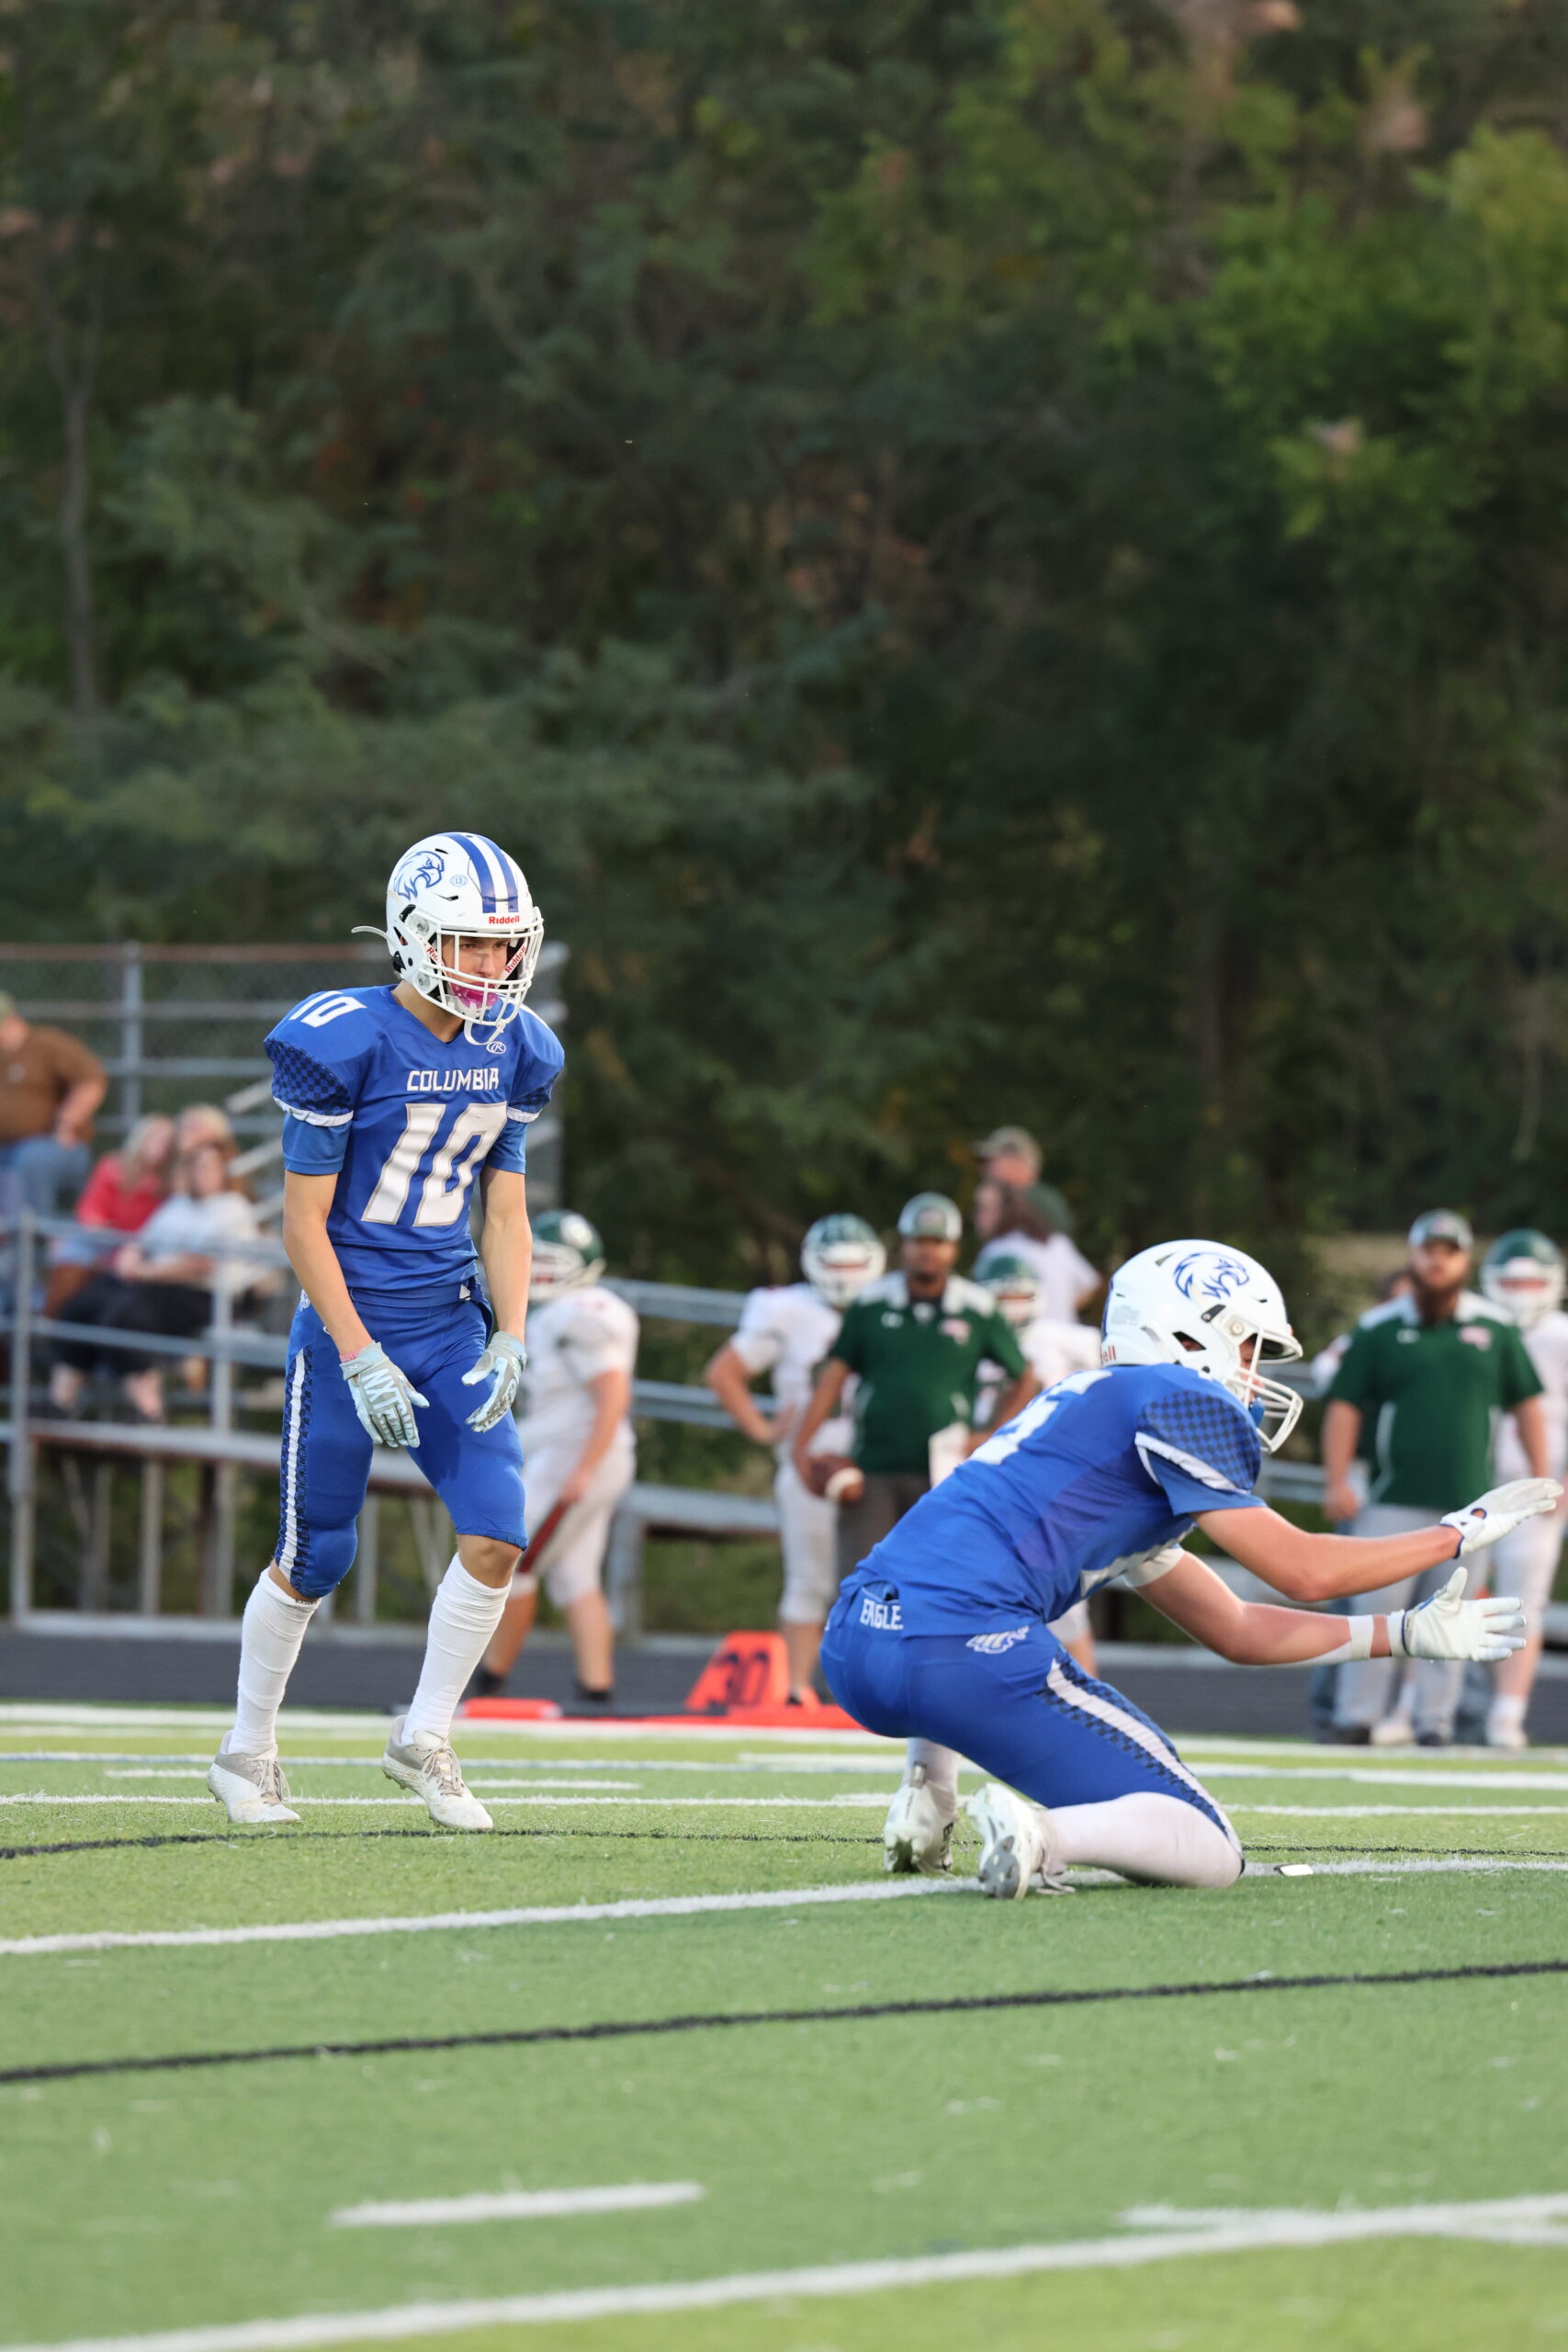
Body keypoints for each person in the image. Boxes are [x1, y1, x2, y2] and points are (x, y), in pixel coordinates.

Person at [817, 1238, 1544, 1894]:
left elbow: (1236, 1628)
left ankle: (927, 1790)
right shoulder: (1178, 1397)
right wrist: (1456, 1533)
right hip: (960, 1656)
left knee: (958, 1597)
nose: (1252, 1374)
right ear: (1195, 1333)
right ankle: (1042, 1835)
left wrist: (1401, 1632)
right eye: (1249, 1346)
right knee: (1207, 1846)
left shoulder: (1087, 1409)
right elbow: (1304, 1571)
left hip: (856, 1642)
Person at [207, 831, 563, 1832]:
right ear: (412, 935)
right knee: (317, 1551)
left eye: (503, 944)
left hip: (449, 1323)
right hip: (347, 1323)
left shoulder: (519, 1046)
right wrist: (357, 1353)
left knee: (498, 1533)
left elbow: (505, 1212)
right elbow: (301, 1224)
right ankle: (246, 1750)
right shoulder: (344, 1038)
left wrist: (512, 1332)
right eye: (469, 942)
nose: (490, 964)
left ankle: (424, 1734)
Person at [1322, 1209, 1549, 1747]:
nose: (1438, 1261)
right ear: (1413, 1255)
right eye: (1430, 1250)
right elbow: (1344, 1405)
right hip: (1391, 1498)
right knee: (1375, 1610)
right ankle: (1355, 1717)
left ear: (1465, 1260)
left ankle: (1434, 1723)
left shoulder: (1495, 1328)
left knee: (1455, 1613)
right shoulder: (1379, 1328)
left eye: (1450, 1251)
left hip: (1470, 1506)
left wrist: (1541, 1477)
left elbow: (1527, 1405)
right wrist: (1336, 1479)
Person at [793, 1193, 1038, 1578]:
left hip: (946, 1471)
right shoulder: (870, 1304)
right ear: (903, 1244)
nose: (928, 1251)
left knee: (939, 1586)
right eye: (919, 1240)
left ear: (954, 1248)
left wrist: (995, 1434)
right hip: (874, 1466)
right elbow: (834, 1376)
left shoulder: (976, 1307)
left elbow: (1025, 1376)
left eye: (937, 1242)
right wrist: (801, 1445)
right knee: (864, 1583)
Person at [704, 1214, 886, 1703]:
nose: (844, 1276)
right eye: (835, 1264)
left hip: (882, 1463)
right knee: (809, 1579)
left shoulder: (891, 1305)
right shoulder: (787, 1309)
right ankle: (795, 1689)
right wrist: (763, 1429)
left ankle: (875, 1690)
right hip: (814, 1463)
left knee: (883, 1583)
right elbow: (724, 1372)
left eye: (853, 1265)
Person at [472, 1210, 638, 1706]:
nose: (541, 1271)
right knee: (575, 1576)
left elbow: (613, 1393)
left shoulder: (579, 1314)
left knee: (509, 1557)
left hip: (574, 1456)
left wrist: (584, 1468)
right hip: (581, 1454)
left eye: (554, 1262)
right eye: (538, 1260)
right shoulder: (561, 1313)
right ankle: (597, 1690)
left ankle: (490, 1681)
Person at [48, 1139, 260, 1421]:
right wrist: (129, 1258)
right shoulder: (179, 1205)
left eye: (209, 1166)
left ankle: (148, 1411)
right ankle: (61, 1403)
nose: (202, 1172)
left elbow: (201, 1264)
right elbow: (143, 1241)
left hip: (204, 1295)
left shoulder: (232, 1208)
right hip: (155, 1282)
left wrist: (144, 1271)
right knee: (84, 1304)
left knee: (126, 1314)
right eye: (196, 1165)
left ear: (224, 1171)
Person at [974, 1251, 1100, 1675]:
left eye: (1019, 1296)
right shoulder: (964, 1334)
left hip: (1049, 1483)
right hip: (985, 1483)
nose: (1011, 1306)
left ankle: (1088, 1692)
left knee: (1066, 1604)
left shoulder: (1064, 1340)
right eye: (1002, 1297)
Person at [1477, 1230, 1568, 1748]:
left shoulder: (1561, 1335)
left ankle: (1506, 1716)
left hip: (1537, 1488)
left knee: (1522, 1602)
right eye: (1511, 1283)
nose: (1521, 1294)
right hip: (1471, 1484)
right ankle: (1425, 1708)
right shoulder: (1474, 1325)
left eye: (1531, 1283)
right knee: (1443, 1595)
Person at [45, 1114, 178, 1314]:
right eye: (156, 1137)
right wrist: (106, 1245)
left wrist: (128, 1251)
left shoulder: (172, 1184)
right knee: (72, 1257)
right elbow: (91, 1211)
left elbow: (160, 1228)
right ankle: (50, 1322)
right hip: (104, 1239)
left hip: (140, 1248)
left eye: (167, 1141)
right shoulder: (113, 1167)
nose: (161, 1145)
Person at [0, 992, 107, 1228]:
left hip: (51, 1144)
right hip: (5, 1148)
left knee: (32, 1160)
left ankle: (34, 1239)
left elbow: (91, 1082)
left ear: (13, 1019)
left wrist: (66, 1123)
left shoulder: (47, 1045)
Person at [973, 1177, 1100, 1325]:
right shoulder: (1058, 1243)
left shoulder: (996, 1251)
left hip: (1030, 1337)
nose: (976, 1216)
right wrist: (1060, 1309)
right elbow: (1091, 1282)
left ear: (1005, 1210)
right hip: (1066, 1334)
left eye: (984, 1209)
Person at [973, 1124, 1074, 1238]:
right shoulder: (1041, 1197)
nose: (984, 1169)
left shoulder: (1032, 1199)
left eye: (991, 1161)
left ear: (1013, 1161)